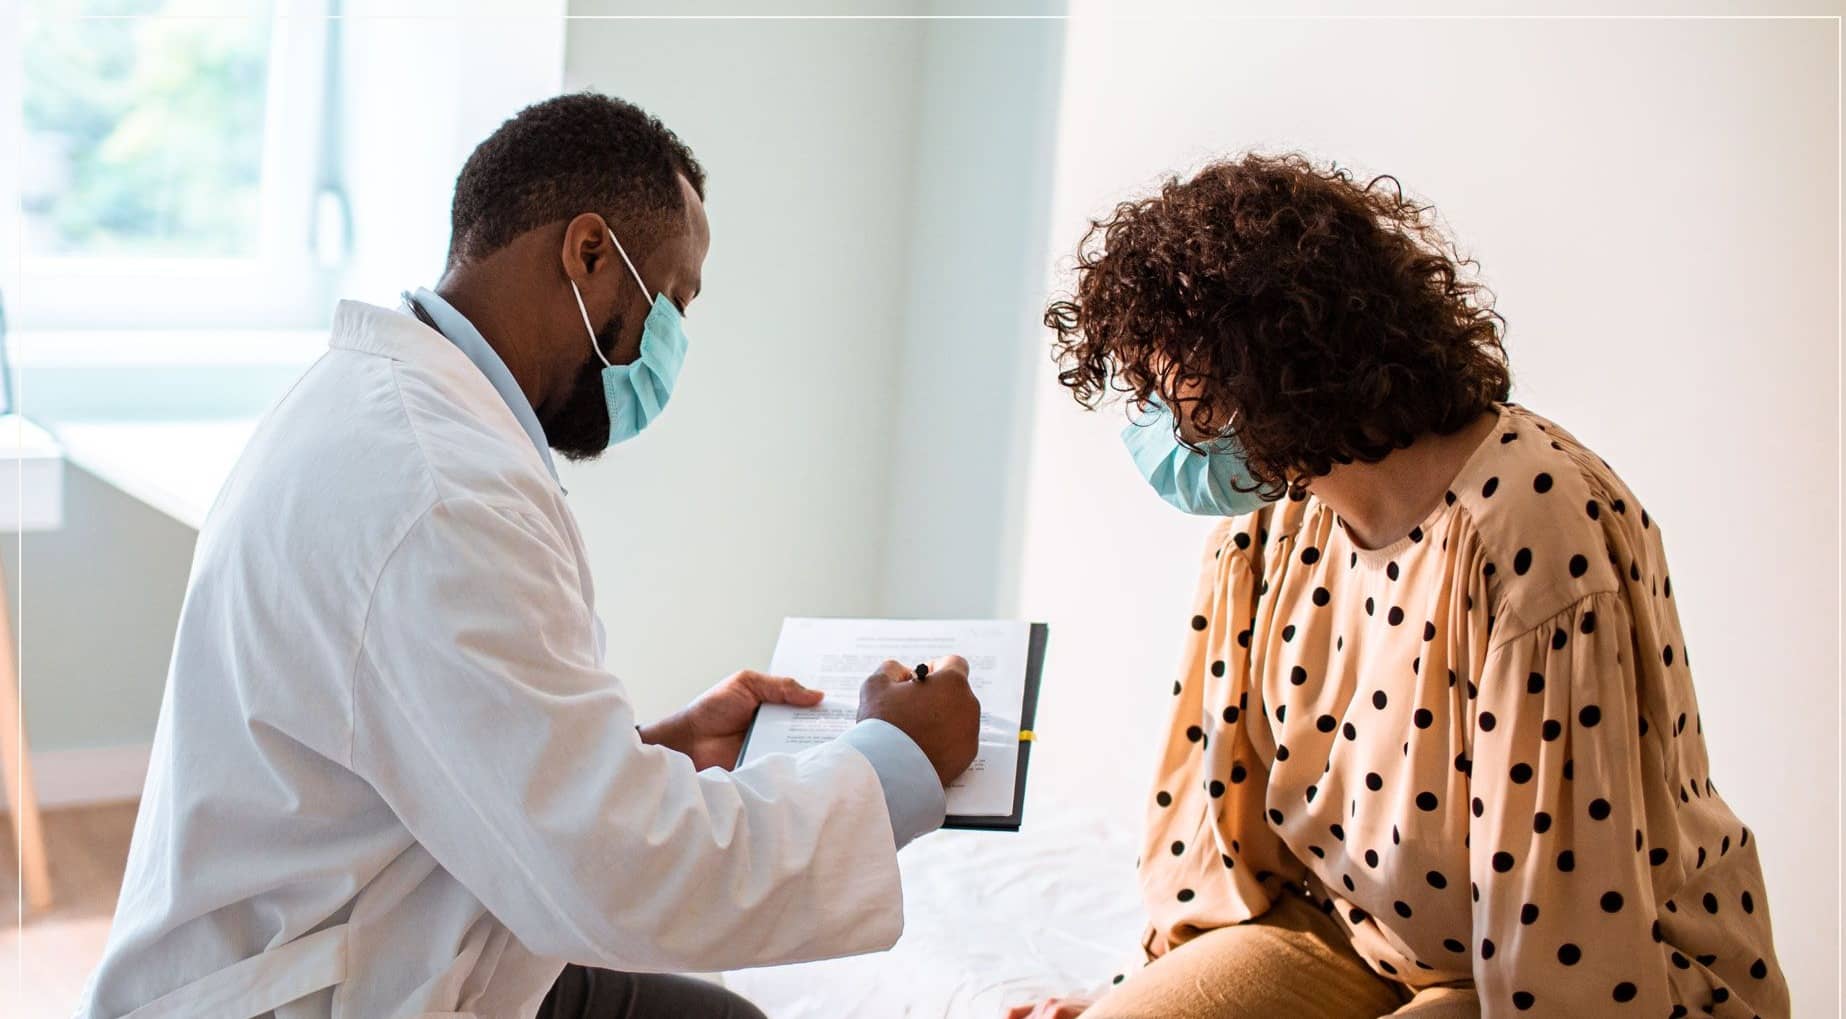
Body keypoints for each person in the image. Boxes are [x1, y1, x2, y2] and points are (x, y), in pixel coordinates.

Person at [78, 92, 981, 1019]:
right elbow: (622, 877)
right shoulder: (441, 492)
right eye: (674, 300)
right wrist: (895, 758)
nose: (674, 345)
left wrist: (651, 752)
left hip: (401, 928)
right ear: (590, 254)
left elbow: (443, 740)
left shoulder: (387, 407)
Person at [1009, 154, 1788, 1019]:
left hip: (1567, 972)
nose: (1155, 422)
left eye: (1168, 387)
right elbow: (1220, 820)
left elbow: (1567, 930)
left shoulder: (1529, 529)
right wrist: (1145, 990)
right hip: (1348, 935)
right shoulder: (1268, 523)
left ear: (1262, 363)